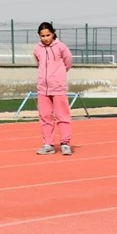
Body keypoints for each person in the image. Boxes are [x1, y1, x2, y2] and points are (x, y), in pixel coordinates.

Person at [33, 22, 74, 156]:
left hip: (58, 87)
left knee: (62, 116)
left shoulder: (61, 47)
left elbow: (68, 62)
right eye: (42, 36)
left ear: (53, 33)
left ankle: (65, 143)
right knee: (45, 117)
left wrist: (59, 75)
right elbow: (39, 64)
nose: (45, 38)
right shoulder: (37, 49)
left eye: (48, 35)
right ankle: (48, 144)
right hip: (43, 88)